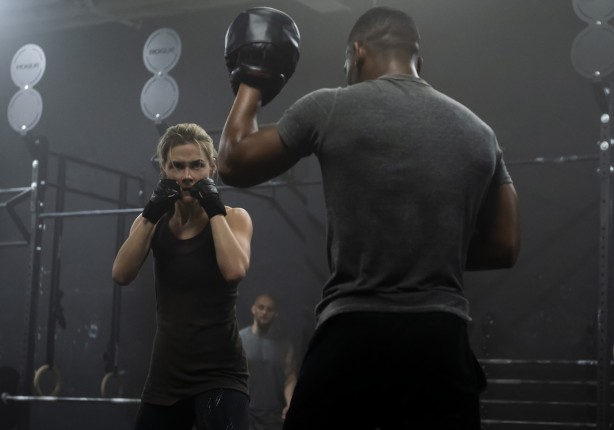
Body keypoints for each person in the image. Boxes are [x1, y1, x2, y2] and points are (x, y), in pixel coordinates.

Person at [218, 6, 520, 430]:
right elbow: (505, 245)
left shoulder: (330, 107)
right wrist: (427, 249)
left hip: (355, 333)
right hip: (441, 340)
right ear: (418, 61)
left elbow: (233, 162)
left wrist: (254, 76)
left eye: (347, 63)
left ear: (357, 52)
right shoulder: (481, 133)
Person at [112, 123, 253, 430]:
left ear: (212, 167)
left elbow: (234, 271)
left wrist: (214, 210)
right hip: (166, 376)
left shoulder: (234, 217)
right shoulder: (151, 222)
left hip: (220, 374)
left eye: (196, 165)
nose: (187, 176)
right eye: (177, 166)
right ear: (163, 170)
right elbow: (121, 274)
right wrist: (150, 214)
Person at [239, 293, 297, 430]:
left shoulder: (285, 344)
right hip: (246, 413)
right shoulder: (239, 339)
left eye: (269, 309)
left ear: (275, 314)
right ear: (253, 309)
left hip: (274, 415)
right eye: (261, 307)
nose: (265, 312)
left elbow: (290, 377)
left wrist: (290, 403)